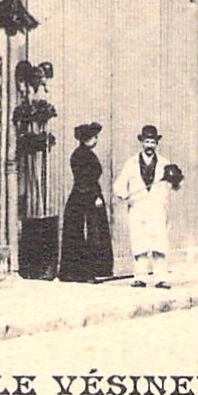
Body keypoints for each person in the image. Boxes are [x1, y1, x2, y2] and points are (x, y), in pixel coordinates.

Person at [114, 124, 175, 288]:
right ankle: (140, 277)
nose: (149, 146)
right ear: (142, 142)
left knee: (158, 242)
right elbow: (120, 183)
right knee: (139, 242)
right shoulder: (131, 163)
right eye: (147, 142)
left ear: (156, 144)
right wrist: (123, 193)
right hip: (138, 208)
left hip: (156, 208)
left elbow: (173, 184)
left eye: (152, 142)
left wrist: (173, 182)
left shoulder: (164, 163)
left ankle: (160, 277)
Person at [58, 122, 113, 282]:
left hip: (83, 196)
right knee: (88, 231)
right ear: (87, 139)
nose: (96, 140)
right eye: (94, 137)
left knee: (87, 232)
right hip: (85, 197)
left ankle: (87, 271)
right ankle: (84, 272)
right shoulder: (82, 155)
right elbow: (84, 179)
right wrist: (94, 196)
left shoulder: (83, 153)